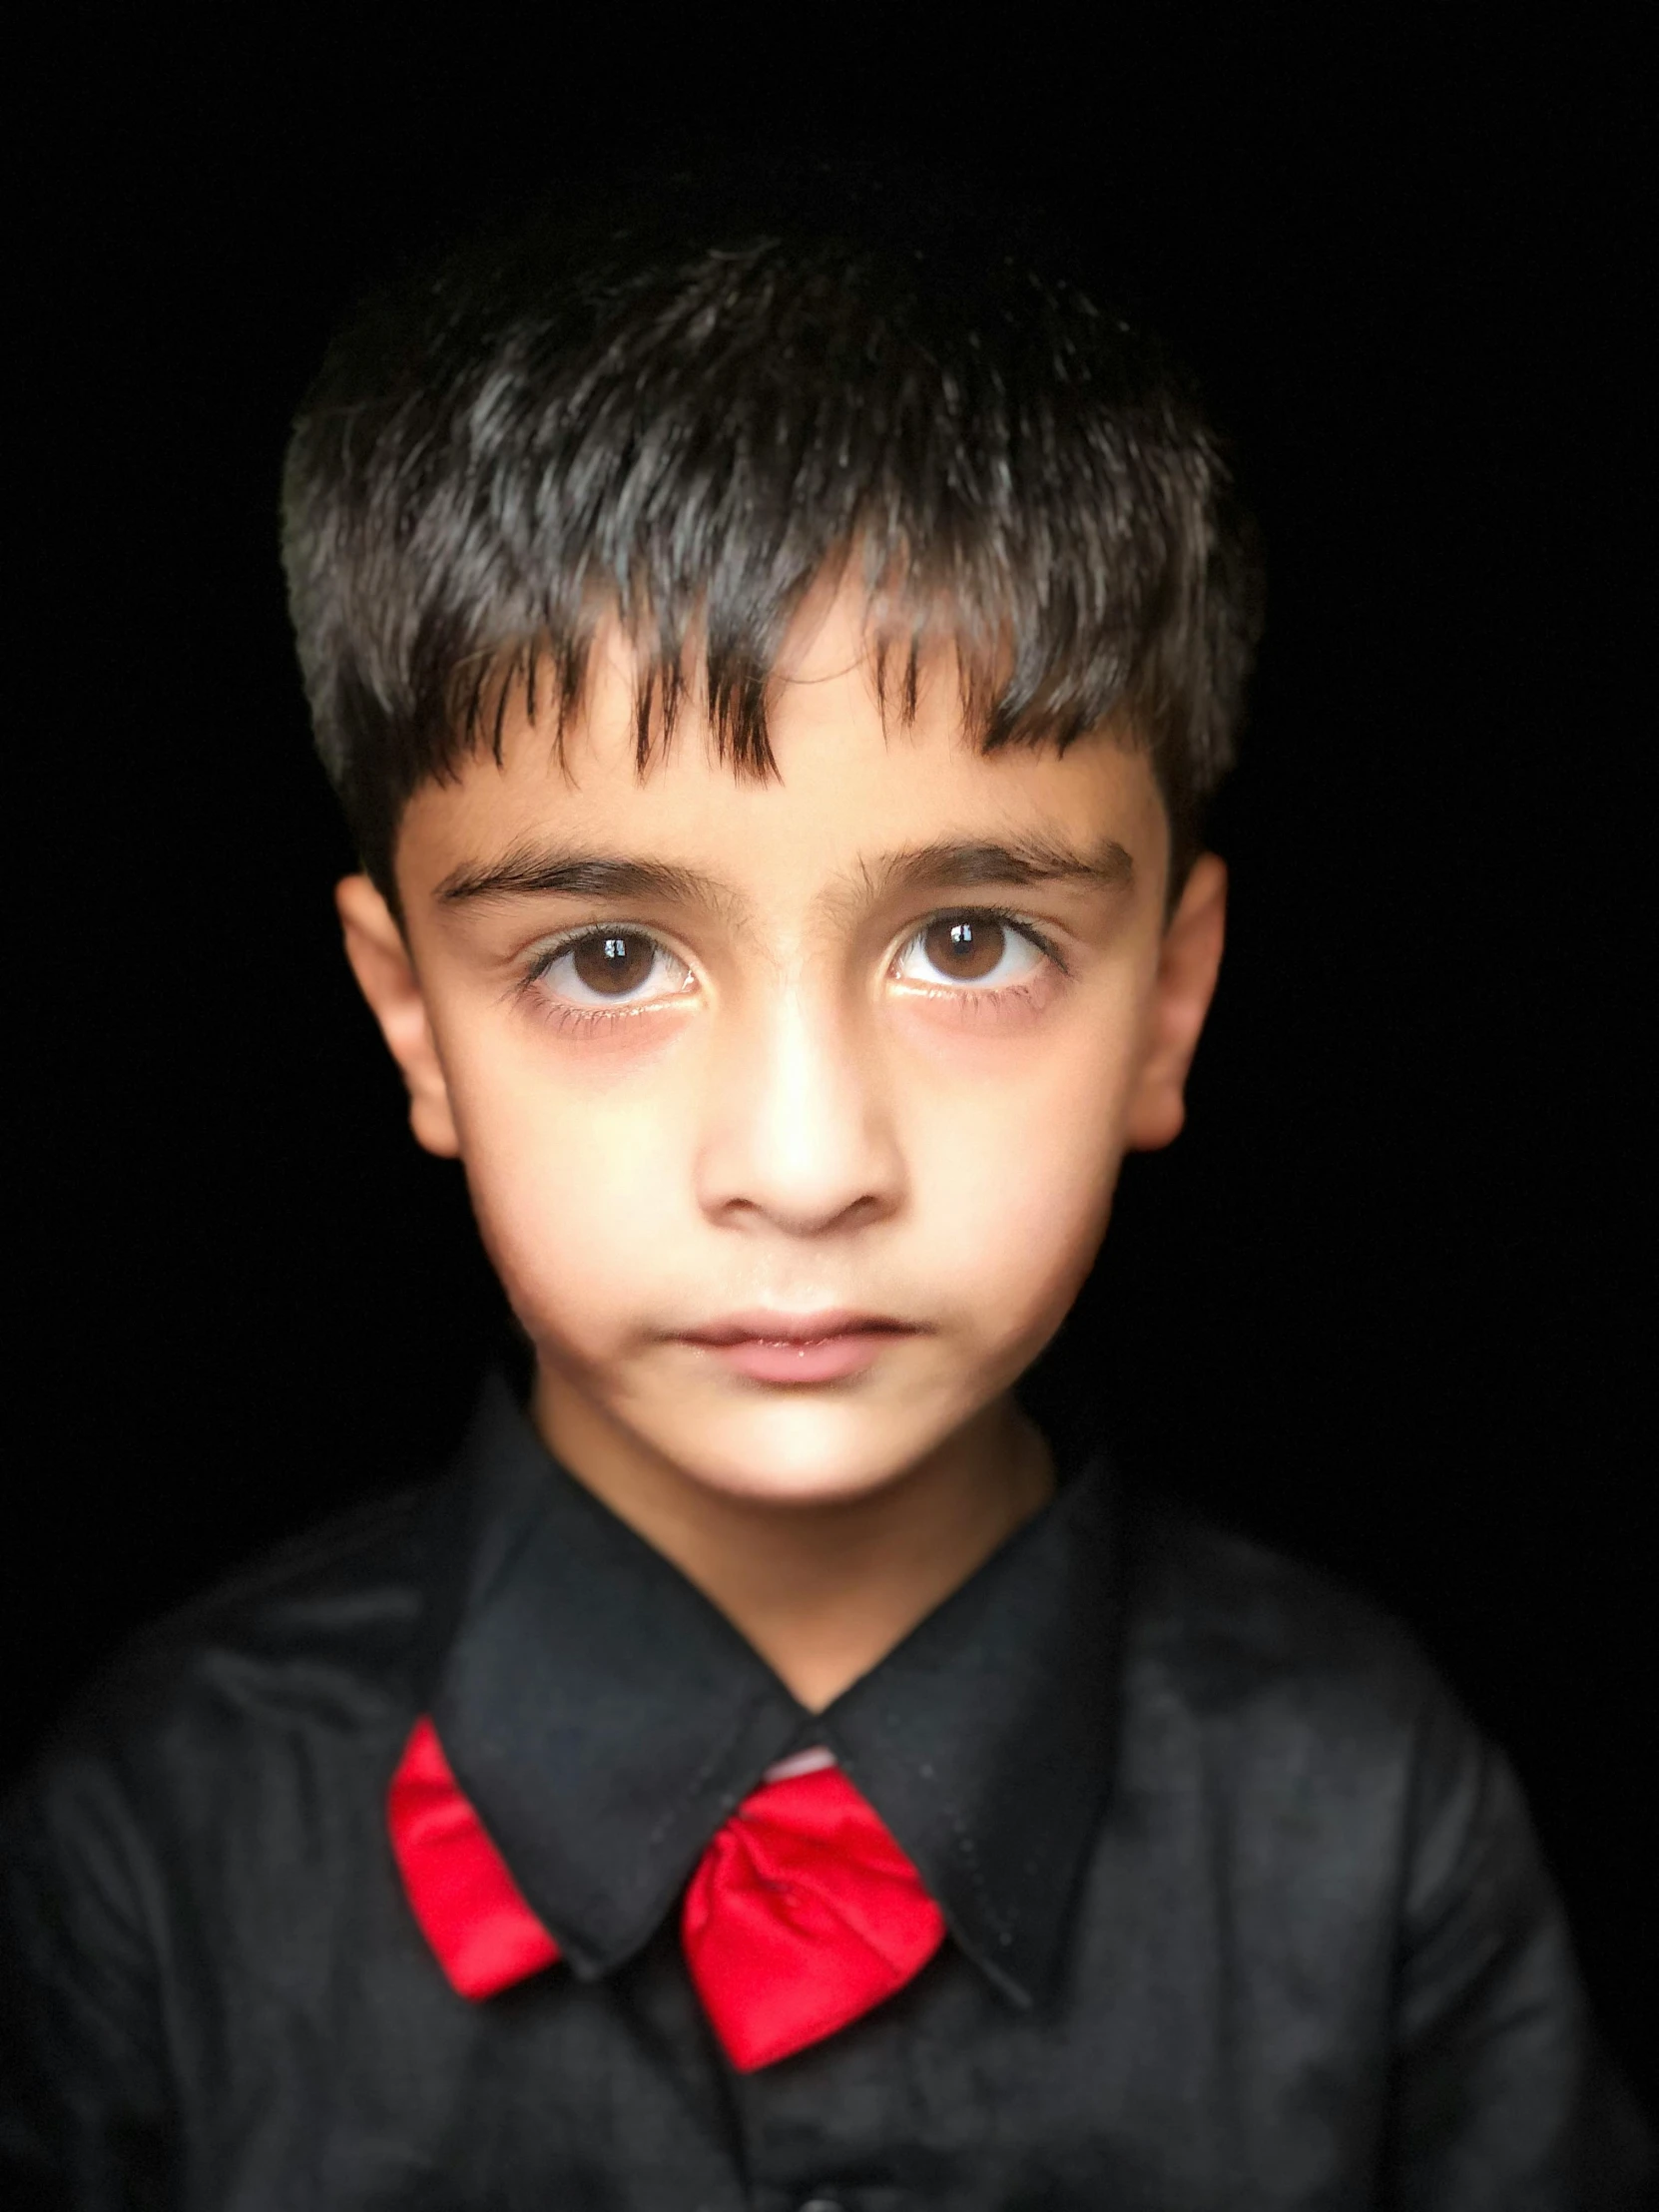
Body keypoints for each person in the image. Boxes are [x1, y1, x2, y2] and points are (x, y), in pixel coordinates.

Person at [2, 159, 1651, 2208]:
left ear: (1171, 1001)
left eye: (972, 939)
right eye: (608, 960)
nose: (802, 1165)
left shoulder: (1372, 1802)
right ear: (411, 1019)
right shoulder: (157, 1823)